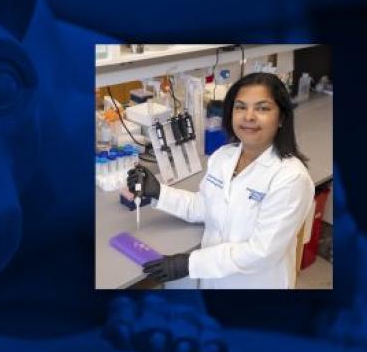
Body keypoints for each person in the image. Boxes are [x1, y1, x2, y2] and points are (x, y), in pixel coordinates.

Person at [128, 72, 315, 289]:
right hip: (213, 280)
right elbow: (205, 206)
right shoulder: (223, 156)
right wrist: (160, 192)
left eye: (262, 108)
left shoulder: (291, 178)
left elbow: (262, 252)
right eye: (240, 107)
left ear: (282, 118)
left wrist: (190, 263)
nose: (249, 116)